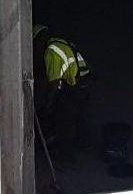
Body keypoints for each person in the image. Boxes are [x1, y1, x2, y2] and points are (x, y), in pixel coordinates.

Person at [33, 24, 91, 163]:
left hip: (75, 87)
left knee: (64, 121)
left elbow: (54, 83)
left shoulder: (51, 51)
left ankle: (67, 158)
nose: (35, 49)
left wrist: (48, 103)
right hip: (84, 82)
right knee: (77, 118)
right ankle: (81, 147)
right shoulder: (59, 42)